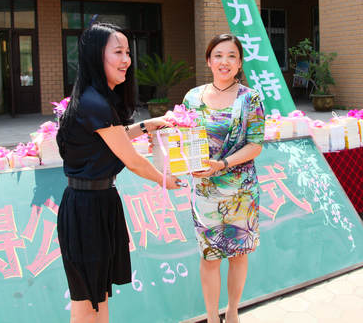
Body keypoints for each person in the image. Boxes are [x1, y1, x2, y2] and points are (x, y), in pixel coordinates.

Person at [55, 23, 182, 323]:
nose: (126, 60)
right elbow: (132, 160)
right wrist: (164, 179)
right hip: (86, 209)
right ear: (96, 56)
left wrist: (149, 125)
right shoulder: (94, 102)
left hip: (99, 203)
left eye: (128, 52)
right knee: (87, 301)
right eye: (118, 52)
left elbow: (113, 137)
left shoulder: (97, 99)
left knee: (99, 295)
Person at [182, 33, 265, 323]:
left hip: (241, 192)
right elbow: (184, 138)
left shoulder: (250, 98)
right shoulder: (192, 98)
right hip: (205, 191)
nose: (224, 62)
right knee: (210, 257)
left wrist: (222, 164)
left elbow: (256, 144)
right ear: (208, 60)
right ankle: (211, 317)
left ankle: (232, 311)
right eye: (218, 55)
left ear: (240, 63)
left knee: (238, 254)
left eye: (231, 56)